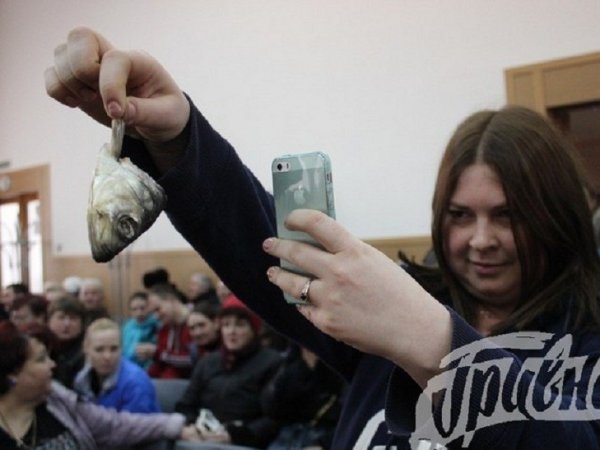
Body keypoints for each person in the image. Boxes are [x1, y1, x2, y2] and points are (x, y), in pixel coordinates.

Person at [45, 28, 600, 449]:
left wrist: (437, 346)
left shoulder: (581, 340)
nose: (480, 240)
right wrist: (175, 136)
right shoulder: (413, 302)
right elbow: (263, 248)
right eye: (459, 215)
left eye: (507, 216)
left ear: (556, 215)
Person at [0, 320, 200, 449]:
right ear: (13, 372)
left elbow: (115, 426)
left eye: (114, 349)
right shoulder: (82, 377)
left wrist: (174, 425)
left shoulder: (57, 398)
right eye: (41, 359)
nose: (52, 364)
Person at [175, 296, 282, 447]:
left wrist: (234, 436)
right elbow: (186, 404)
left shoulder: (272, 362)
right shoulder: (208, 361)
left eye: (240, 325)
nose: (231, 331)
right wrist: (193, 426)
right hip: (201, 436)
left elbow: (273, 418)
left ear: (253, 329)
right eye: (226, 325)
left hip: (242, 441)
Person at [262, 344, 345, 450]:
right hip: (287, 435)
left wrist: (324, 444)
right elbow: (271, 408)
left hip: (324, 437)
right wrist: (303, 367)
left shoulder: (341, 366)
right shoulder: (292, 361)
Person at [73, 318, 161, 413]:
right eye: (99, 349)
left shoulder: (136, 384)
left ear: (122, 348)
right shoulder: (81, 380)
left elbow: (135, 422)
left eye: (114, 349)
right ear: (86, 349)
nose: (107, 356)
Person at [147, 283, 193, 379]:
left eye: (158, 309)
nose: (156, 316)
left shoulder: (197, 322)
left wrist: (159, 353)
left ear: (171, 300)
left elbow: (193, 359)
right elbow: (160, 365)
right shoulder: (164, 329)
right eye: (152, 313)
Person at [47, 295, 86, 389]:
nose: (67, 324)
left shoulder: (86, 351)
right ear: (49, 321)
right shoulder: (42, 347)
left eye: (73, 318)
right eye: (61, 317)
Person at [121, 291, 160, 369]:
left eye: (142, 308)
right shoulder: (127, 327)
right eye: (134, 309)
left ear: (149, 308)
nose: (139, 313)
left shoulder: (157, 325)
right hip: (127, 367)